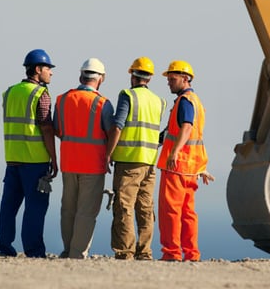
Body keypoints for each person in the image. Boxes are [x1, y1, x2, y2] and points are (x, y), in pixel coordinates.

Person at [0, 49, 59, 258]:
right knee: (36, 208)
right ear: (38, 69)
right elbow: (46, 128)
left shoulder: (10, 92)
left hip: (12, 158)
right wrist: (54, 159)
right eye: (48, 68)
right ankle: (33, 251)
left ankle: (5, 247)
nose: (51, 73)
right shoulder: (40, 94)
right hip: (35, 160)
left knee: (9, 206)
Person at [105, 57, 166, 260]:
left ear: (133, 75)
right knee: (145, 208)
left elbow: (118, 126)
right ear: (149, 78)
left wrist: (108, 153)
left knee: (124, 206)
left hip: (129, 161)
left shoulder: (128, 96)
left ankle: (125, 251)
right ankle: (145, 252)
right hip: (149, 163)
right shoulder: (159, 101)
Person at [54, 58, 115, 259]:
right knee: (86, 212)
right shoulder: (103, 104)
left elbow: (58, 129)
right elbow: (110, 133)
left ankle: (67, 249)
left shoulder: (62, 99)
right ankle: (77, 253)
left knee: (68, 208)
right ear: (101, 79)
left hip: (69, 163)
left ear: (81, 76)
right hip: (93, 165)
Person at [157, 60, 214, 262]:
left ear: (185, 78)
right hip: (191, 168)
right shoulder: (196, 101)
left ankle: (172, 253)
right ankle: (191, 254)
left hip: (176, 166)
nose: (169, 83)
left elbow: (187, 128)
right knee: (188, 213)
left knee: (170, 211)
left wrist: (173, 153)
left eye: (172, 79)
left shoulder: (185, 102)